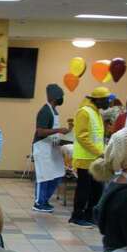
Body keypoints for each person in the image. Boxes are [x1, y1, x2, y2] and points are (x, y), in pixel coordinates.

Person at [69, 86, 112, 227]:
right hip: (85, 159)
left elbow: (97, 137)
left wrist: (103, 151)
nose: (109, 103)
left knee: (97, 189)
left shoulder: (96, 113)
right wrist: (98, 152)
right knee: (84, 190)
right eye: (106, 100)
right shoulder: (84, 112)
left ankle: (89, 215)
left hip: (95, 159)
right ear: (98, 100)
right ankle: (76, 216)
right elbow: (82, 137)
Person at [32, 83, 70, 213]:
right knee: (43, 176)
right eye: (61, 96)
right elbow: (40, 132)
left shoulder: (54, 111)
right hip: (42, 148)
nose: (62, 99)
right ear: (54, 97)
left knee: (57, 173)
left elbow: (52, 132)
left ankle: (45, 200)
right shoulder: (45, 111)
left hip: (52, 148)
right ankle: (38, 203)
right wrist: (59, 130)